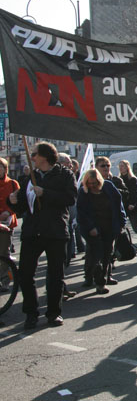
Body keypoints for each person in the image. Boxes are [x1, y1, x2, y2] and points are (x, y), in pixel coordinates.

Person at [9, 141, 77, 329]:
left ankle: (54, 313)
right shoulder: (30, 177)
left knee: (55, 275)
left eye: (35, 154)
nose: (32, 158)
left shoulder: (64, 174)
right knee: (25, 274)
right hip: (32, 231)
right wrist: (12, 201)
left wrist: (45, 193)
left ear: (45, 157)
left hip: (55, 231)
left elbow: (70, 198)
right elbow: (23, 206)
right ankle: (31, 313)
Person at [77, 169, 126, 295]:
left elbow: (118, 205)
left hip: (109, 227)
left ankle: (103, 280)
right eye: (89, 183)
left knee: (106, 256)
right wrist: (90, 227)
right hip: (92, 230)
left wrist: (122, 223)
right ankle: (98, 281)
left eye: (94, 183)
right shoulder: (83, 192)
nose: (92, 186)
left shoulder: (108, 187)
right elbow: (81, 213)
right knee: (95, 256)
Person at [0, 157, 19, 293]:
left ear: (4, 169)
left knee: (4, 253)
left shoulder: (12, 184)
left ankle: (4, 280)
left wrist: (8, 211)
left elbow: (18, 202)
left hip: (7, 224)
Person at [118, 160, 137, 249]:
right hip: (123, 206)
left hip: (132, 207)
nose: (121, 168)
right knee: (120, 227)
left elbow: (135, 193)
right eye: (120, 166)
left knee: (135, 227)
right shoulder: (119, 179)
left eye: (122, 166)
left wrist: (132, 204)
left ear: (127, 167)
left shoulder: (132, 179)